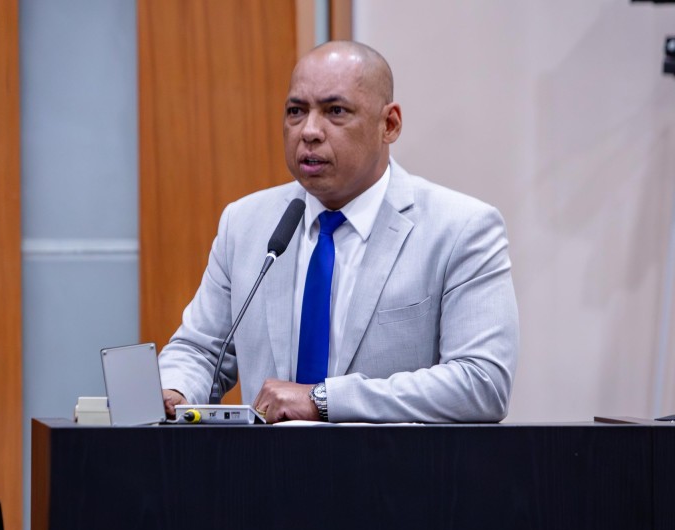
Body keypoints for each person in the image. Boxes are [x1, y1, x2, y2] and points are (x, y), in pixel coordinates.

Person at [157, 41, 519, 423]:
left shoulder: (461, 229)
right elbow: (201, 350)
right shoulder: (245, 223)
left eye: (335, 111)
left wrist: (322, 399)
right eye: (296, 111)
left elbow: (482, 383)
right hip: (265, 461)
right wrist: (174, 390)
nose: (309, 131)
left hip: (390, 461)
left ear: (389, 124)